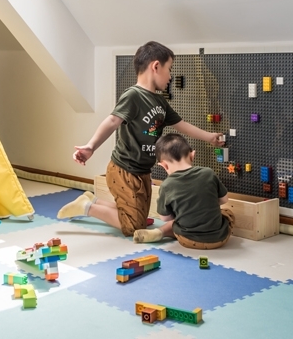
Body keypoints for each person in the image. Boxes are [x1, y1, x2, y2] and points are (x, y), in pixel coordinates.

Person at [56, 41, 225, 237]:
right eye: (169, 69)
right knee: (133, 226)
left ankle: (93, 201)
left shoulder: (160, 101)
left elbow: (182, 125)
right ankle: (87, 207)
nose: (171, 76)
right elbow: (112, 121)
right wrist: (91, 146)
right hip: (124, 169)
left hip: (143, 171)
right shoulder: (134, 95)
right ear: (156, 66)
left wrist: (209, 137)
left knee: (139, 217)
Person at [133, 133, 235, 247]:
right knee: (227, 213)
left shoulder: (167, 185)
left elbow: (165, 218)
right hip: (218, 239)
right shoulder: (208, 173)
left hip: (186, 240)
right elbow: (224, 200)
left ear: (164, 165)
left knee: (179, 220)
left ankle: (160, 232)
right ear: (192, 155)